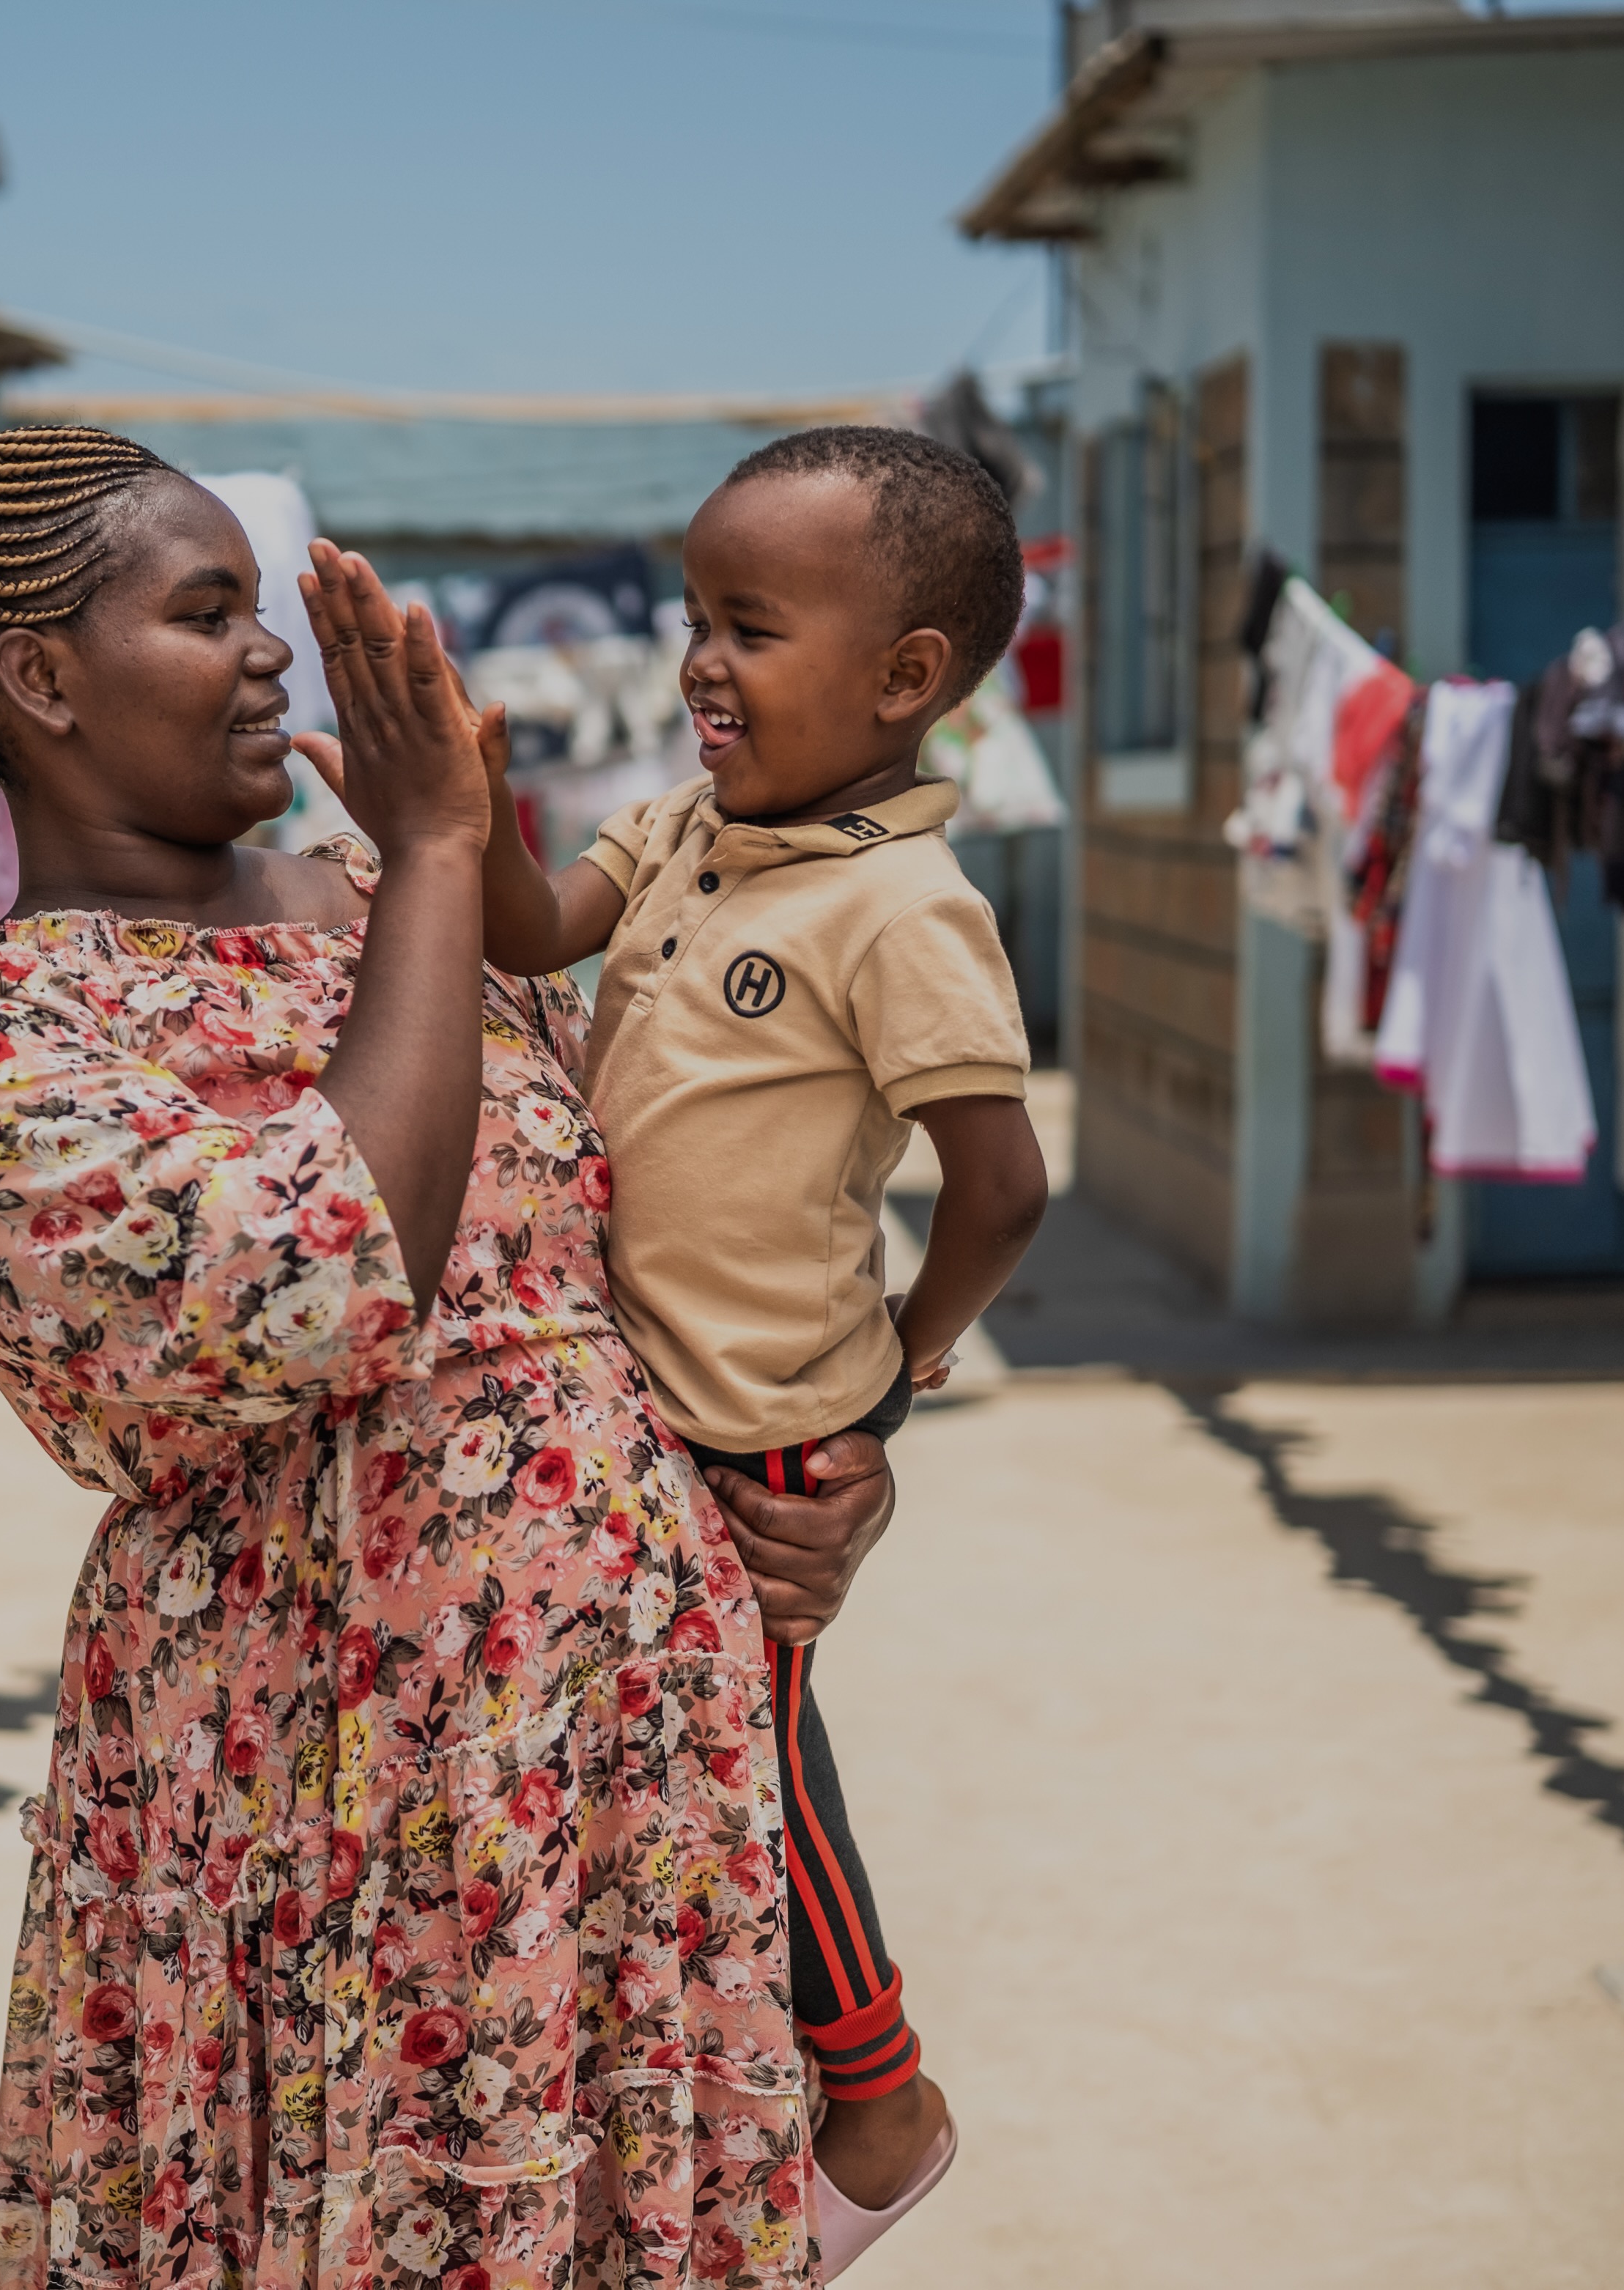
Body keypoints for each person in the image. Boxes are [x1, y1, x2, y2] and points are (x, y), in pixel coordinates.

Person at [0, 405, 874, 2288]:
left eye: (263, 606)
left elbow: (674, 1253)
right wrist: (449, 842)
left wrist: (832, 1463)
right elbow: (329, 1262)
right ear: (42, 676)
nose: (272, 649)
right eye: (209, 613)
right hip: (309, 1816)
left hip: (606, 1785)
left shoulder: (401, 913)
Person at [470, 426, 1053, 2274]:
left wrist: (906, 1354)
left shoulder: (904, 909)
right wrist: (463, 808)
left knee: (760, 1759)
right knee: (679, 1768)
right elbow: (528, 927)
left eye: (749, 624)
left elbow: (1003, 1178)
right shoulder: (676, 832)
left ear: (904, 678)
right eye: (691, 617)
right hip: (634, 1403)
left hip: (761, 1419)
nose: (699, 661)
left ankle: (875, 2097)